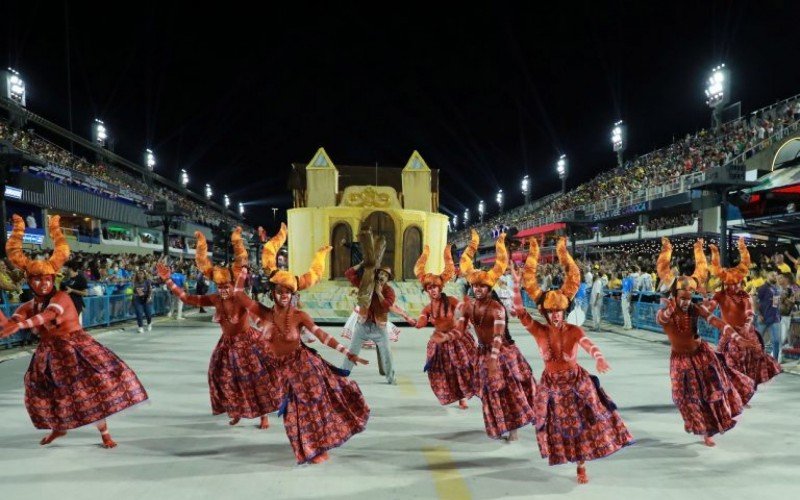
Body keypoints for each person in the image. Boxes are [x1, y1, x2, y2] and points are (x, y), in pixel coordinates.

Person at [0, 215, 148, 447]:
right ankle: (59, 428)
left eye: (47, 278)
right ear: (29, 280)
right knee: (50, 392)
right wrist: (8, 322)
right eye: (37, 279)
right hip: (48, 353)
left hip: (75, 348)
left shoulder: (61, 296)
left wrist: (20, 325)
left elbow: (48, 315)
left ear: (53, 278)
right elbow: (16, 318)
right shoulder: (28, 304)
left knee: (87, 391)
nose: (42, 283)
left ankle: (104, 433)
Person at [233, 224, 370, 464]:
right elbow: (239, 297)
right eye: (279, 290)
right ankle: (309, 446)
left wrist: (348, 353)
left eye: (288, 291)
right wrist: (242, 276)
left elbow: (322, 336)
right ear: (273, 292)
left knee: (312, 407)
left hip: (305, 366)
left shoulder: (299, 316)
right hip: (280, 371)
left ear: (294, 294)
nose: (284, 294)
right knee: (293, 413)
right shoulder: (263, 314)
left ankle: (318, 447)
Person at [515, 237, 633, 484]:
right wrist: (516, 289)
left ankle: (581, 465)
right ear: (545, 313)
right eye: (552, 312)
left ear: (564, 311)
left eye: (559, 311)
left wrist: (599, 359)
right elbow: (521, 314)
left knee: (582, 422)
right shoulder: (539, 330)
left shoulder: (574, 330)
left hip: (575, 381)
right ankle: (565, 457)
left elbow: (589, 345)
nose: (556, 315)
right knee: (556, 425)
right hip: (550, 384)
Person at [159, 228, 280, 430]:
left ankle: (263, 415)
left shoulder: (241, 298)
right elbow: (188, 298)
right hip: (227, 345)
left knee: (255, 379)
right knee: (220, 376)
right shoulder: (215, 298)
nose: (223, 290)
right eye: (220, 286)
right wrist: (168, 280)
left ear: (233, 285)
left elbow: (259, 313)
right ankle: (235, 410)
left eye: (227, 286)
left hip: (248, 343)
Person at [655, 238, 754, 447]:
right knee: (684, 398)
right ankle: (695, 422)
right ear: (674, 295)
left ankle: (709, 431)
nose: (686, 300)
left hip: (701, 354)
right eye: (682, 296)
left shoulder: (695, 308)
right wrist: (667, 250)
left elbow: (717, 321)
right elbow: (662, 319)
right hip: (680, 360)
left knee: (712, 391)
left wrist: (737, 337)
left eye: (689, 296)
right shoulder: (665, 311)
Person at [457, 230, 536, 442]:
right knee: (490, 393)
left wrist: (493, 358)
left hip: (502, 354)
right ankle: (499, 424)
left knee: (509, 390)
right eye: (475, 285)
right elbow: (461, 329)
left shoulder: (497, 308)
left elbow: (499, 336)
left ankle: (514, 430)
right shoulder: (469, 306)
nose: (478, 289)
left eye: (483, 286)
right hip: (483, 354)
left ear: (490, 287)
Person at [704, 239, 781, 386]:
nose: (733, 287)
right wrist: (705, 307)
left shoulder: (745, 295)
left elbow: (749, 312)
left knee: (750, 364)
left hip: (746, 334)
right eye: (730, 284)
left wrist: (746, 326)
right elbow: (710, 308)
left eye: (736, 283)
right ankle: (732, 390)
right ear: (725, 283)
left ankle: (745, 390)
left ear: (741, 282)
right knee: (724, 363)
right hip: (728, 335)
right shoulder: (719, 295)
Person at [408, 244, 475, 410]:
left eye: (435, 287)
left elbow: (462, 309)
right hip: (439, 342)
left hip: (456, 339)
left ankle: (463, 397)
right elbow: (422, 322)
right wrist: (415, 323)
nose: (432, 290)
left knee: (462, 368)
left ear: (440, 287)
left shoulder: (451, 300)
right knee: (444, 371)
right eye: (429, 288)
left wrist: (467, 314)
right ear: (426, 290)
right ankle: (456, 395)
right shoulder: (428, 308)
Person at [341, 225, 398, 385]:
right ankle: (343, 374)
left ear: (388, 279)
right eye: (380, 273)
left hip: (379, 327)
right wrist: (362, 264)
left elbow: (387, 306)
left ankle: (390, 377)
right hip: (363, 325)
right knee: (352, 351)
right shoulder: (366, 283)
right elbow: (349, 274)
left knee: (386, 352)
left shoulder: (389, 291)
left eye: (385, 276)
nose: (381, 276)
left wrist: (379, 293)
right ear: (376, 273)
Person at [757, 270, 783, 362]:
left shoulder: (777, 288)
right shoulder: (762, 288)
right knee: (758, 340)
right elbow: (756, 301)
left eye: (776, 275)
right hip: (763, 318)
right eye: (772, 275)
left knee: (776, 341)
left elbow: (776, 303)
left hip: (775, 318)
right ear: (767, 276)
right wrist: (759, 314)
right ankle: (757, 359)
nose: (775, 277)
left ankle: (775, 361)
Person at [59, 261, 89, 326]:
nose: (63, 269)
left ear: (70, 269)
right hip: (66, 307)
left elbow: (85, 293)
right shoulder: (64, 279)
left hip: (76, 306)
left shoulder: (81, 278)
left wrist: (72, 290)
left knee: (75, 326)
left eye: (65, 268)